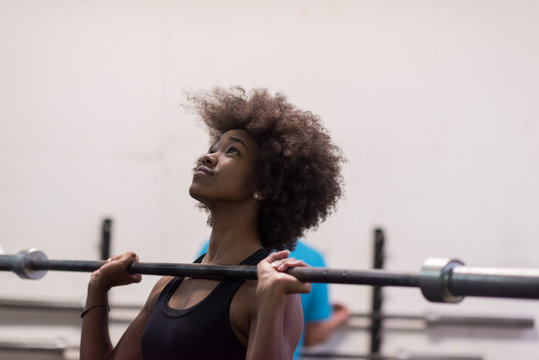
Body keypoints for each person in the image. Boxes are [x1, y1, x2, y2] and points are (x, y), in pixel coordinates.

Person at [80, 87, 345, 360]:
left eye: (232, 151)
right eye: (213, 148)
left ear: (263, 185)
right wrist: (97, 288)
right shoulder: (168, 284)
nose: (208, 157)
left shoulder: (270, 290)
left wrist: (269, 304)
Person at [198, 239, 350, 359]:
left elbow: (198, 313)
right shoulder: (313, 259)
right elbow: (313, 336)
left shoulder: (212, 249)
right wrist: (339, 317)